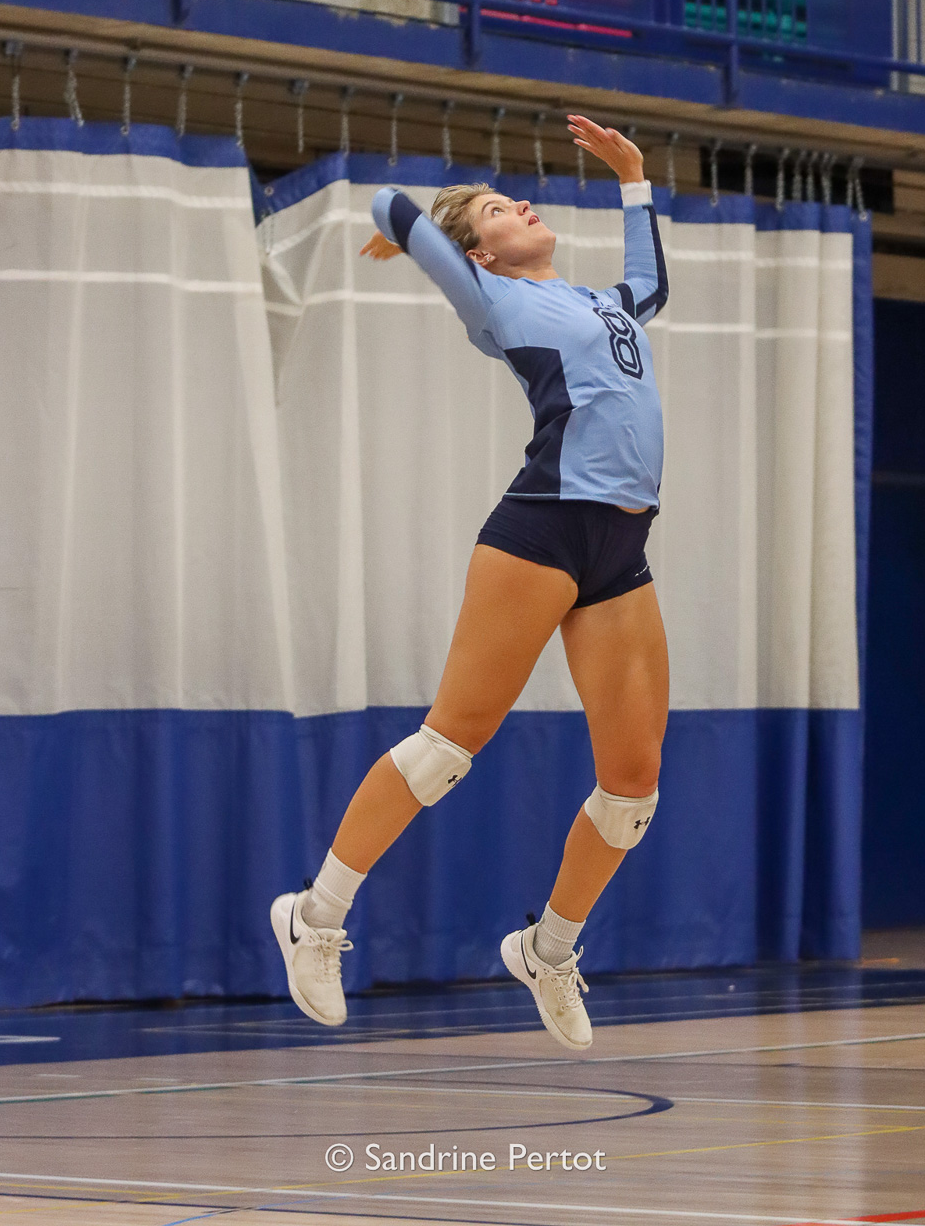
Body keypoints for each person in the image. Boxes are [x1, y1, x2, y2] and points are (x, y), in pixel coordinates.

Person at [271, 115, 669, 1050]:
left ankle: (547, 948)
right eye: (500, 208)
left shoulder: (600, 304)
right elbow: (385, 201)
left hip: (622, 547)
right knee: (448, 747)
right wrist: (418, 233)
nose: (523, 205)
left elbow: (650, 283)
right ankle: (315, 918)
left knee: (634, 789)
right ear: (479, 253)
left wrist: (636, 179)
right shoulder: (496, 305)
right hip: (539, 531)